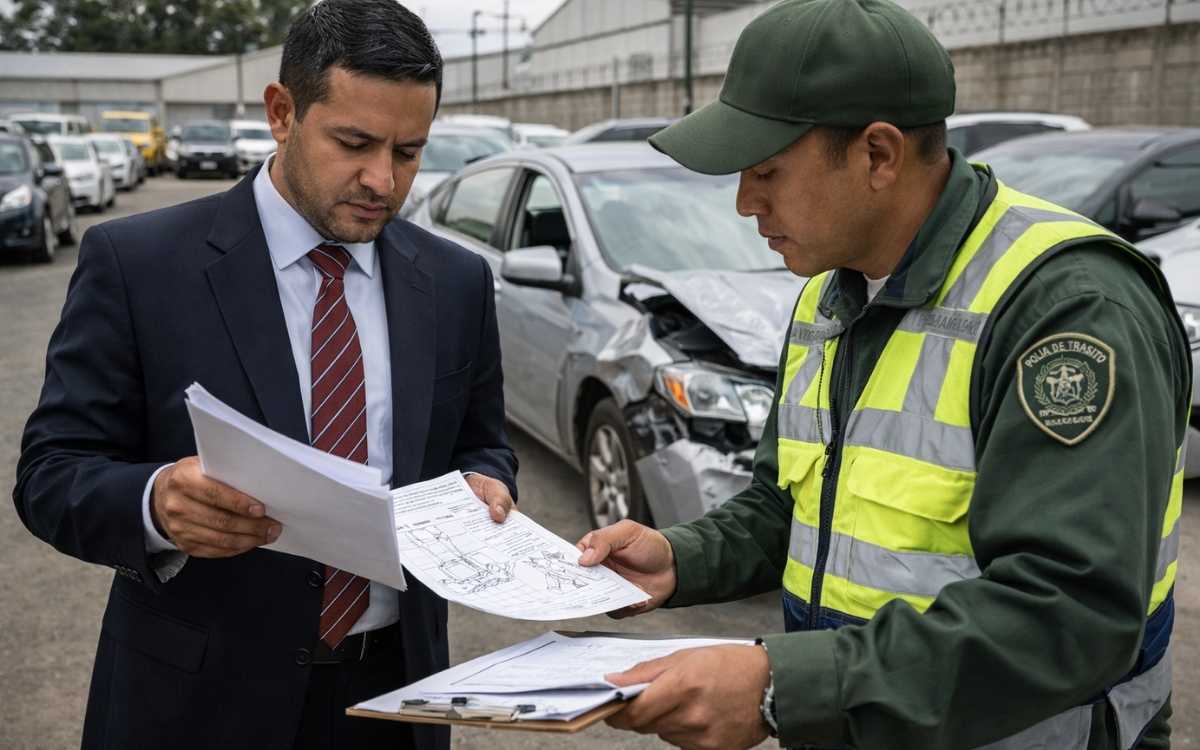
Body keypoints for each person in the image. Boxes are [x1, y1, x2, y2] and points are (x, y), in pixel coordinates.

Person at [577, 1, 1191, 748]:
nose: (745, 203)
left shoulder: (1064, 309)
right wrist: (681, 559)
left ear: (877, 155)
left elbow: (1071, 611)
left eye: (767, 171)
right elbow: (791, 502)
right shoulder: (830, 291)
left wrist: (782, 685)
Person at [13, 2, 516, 749]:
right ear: (282, 112)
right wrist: (156, 504)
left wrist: (487, 483)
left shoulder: (456, 281)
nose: (382, 179)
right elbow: (51, 475)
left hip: (394, 698)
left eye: (408, 152)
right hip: (196, 703)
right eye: (354, 143)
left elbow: (483, 445)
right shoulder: (139, 265)